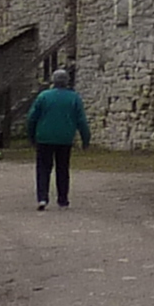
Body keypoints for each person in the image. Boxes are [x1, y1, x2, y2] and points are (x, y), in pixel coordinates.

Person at [27, 66, 93, 209]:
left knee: (43, 168)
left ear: (53, 81)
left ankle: (42, 198)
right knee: (62, 168)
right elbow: (81, 120)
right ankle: (62, 199)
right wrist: (85, 139)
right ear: (67, 82)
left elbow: (32, 117)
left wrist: (31, 136)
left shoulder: (43, 96)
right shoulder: (74, 97)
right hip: (65, 138)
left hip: (44, 137)